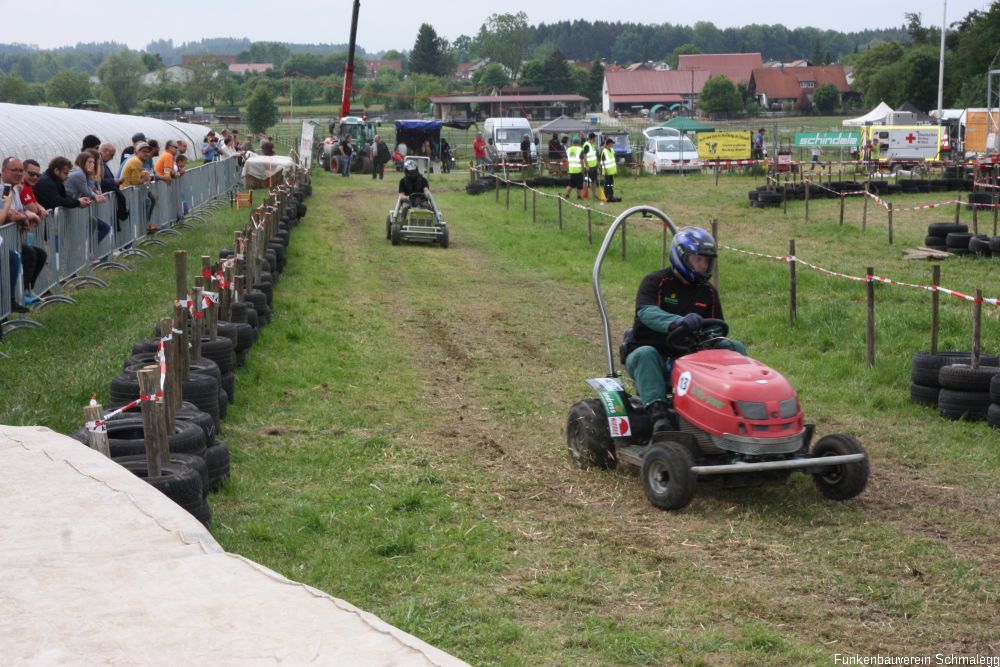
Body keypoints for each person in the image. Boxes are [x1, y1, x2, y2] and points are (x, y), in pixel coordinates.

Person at [622, 227, 745, 434]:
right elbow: (647, 312)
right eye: (698, 260)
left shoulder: (708, 293)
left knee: (732, 347)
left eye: (707, 261)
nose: (703, 265)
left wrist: (713, 337)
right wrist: (678, 322)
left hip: (689, 356)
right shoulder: (656, 282)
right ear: (682, 257)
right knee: (646, 354)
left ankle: (739, 405)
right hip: (650, 354)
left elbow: (716, 327)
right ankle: (659, 417)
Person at [2, 157, 46, 309]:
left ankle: (25, 292)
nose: (19, 174)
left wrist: (24, 216)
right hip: (5, 239)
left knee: (39, 254)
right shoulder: (4, 189)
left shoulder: (14, 188)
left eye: (21, 170)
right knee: (21, 256)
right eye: (15, 170)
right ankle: (12, 298)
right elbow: (9, 214)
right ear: (3, 171)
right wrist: (26, 216)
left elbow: (19, 211)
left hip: (10, 238)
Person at [65, 151, 111, 245]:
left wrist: (94, 194)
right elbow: (86, 192)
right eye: (89, 162)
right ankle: (86, 252)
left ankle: (87, 251)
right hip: (67, 207)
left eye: (93, 162)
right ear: (82, 161)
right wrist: (94, 195)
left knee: (97, 225)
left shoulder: (80, 172)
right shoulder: (79, 174)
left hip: (72, 207)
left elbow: (88, 189)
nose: (92, 165)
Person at [397, 159, 430, 223]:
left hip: (421, 200)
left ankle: (430, 222)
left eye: (413, 171)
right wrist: (407, 197)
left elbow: (425, 189)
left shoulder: (423, 180)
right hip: (408, 201)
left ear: (416, 170)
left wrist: (426, 193)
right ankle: (402, 221)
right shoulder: (403, 181)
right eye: (410, 172)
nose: (412, 173)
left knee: (428, 207)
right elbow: (401, 195)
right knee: (405, 208)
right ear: (406, 171)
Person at [599, 136, 620, 203]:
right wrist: (606, 170)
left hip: (612, 171)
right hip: (607, 171)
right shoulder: (604, 151)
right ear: (609, 144)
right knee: (607, 184)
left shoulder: (612, 150)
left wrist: (615, 168)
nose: (613, 144)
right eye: (612, 143)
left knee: (611, 184)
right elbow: (603, 162)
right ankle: (606, 196)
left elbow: (613, 160)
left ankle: (611, 196)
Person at [563, 135, 584, 200]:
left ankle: (566, 194)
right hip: (578, 170)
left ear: (573, 142)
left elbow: (566, 160)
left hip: (571, 169)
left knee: (571, 184)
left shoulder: (568, 150)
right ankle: (579, 196)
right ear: (579, 142)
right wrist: (583, 169)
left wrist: (567, 169)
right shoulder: (581, 150)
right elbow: (581, 161)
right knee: (579, 185)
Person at [582, 132, 599, 198]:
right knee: (586, 181)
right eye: (595, 138)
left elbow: (594, 156)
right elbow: (585, 156)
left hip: (594, 166)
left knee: (594, 181)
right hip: (589, 167)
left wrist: (597, 166)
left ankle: (594, 195)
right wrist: (586, 166)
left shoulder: (593, 145)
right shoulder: (586, 145)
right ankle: (584, 195)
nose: (595, 139)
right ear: (592, 138)